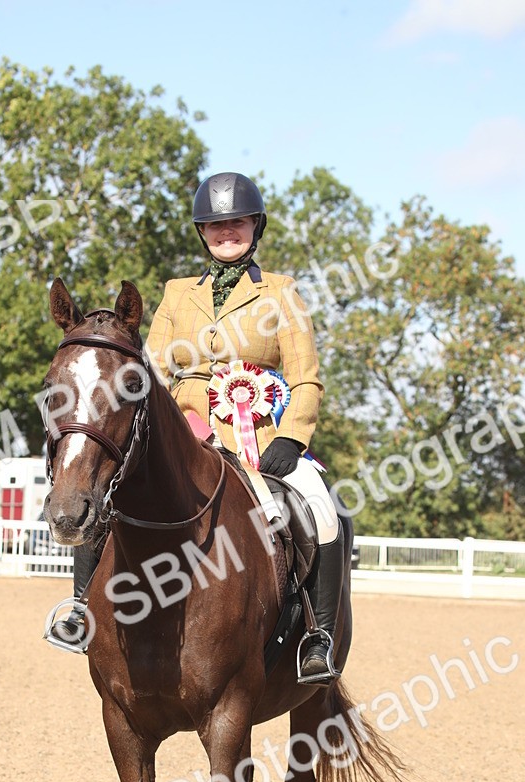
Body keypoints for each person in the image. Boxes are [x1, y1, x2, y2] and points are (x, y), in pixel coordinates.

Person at [49, 171, 349, 684]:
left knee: (321, 505)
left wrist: (292, 436)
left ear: (256, 227)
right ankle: (80, 609)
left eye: (236, 222)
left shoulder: (282, 294)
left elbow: (306, 380)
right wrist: (167, 424)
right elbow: (154, 372)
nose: (225, 232)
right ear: (201, 232)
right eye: (214, 225)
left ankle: (317, 637)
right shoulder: (176, 294)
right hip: (182, 436)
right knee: (105, 490)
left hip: (259, 438)